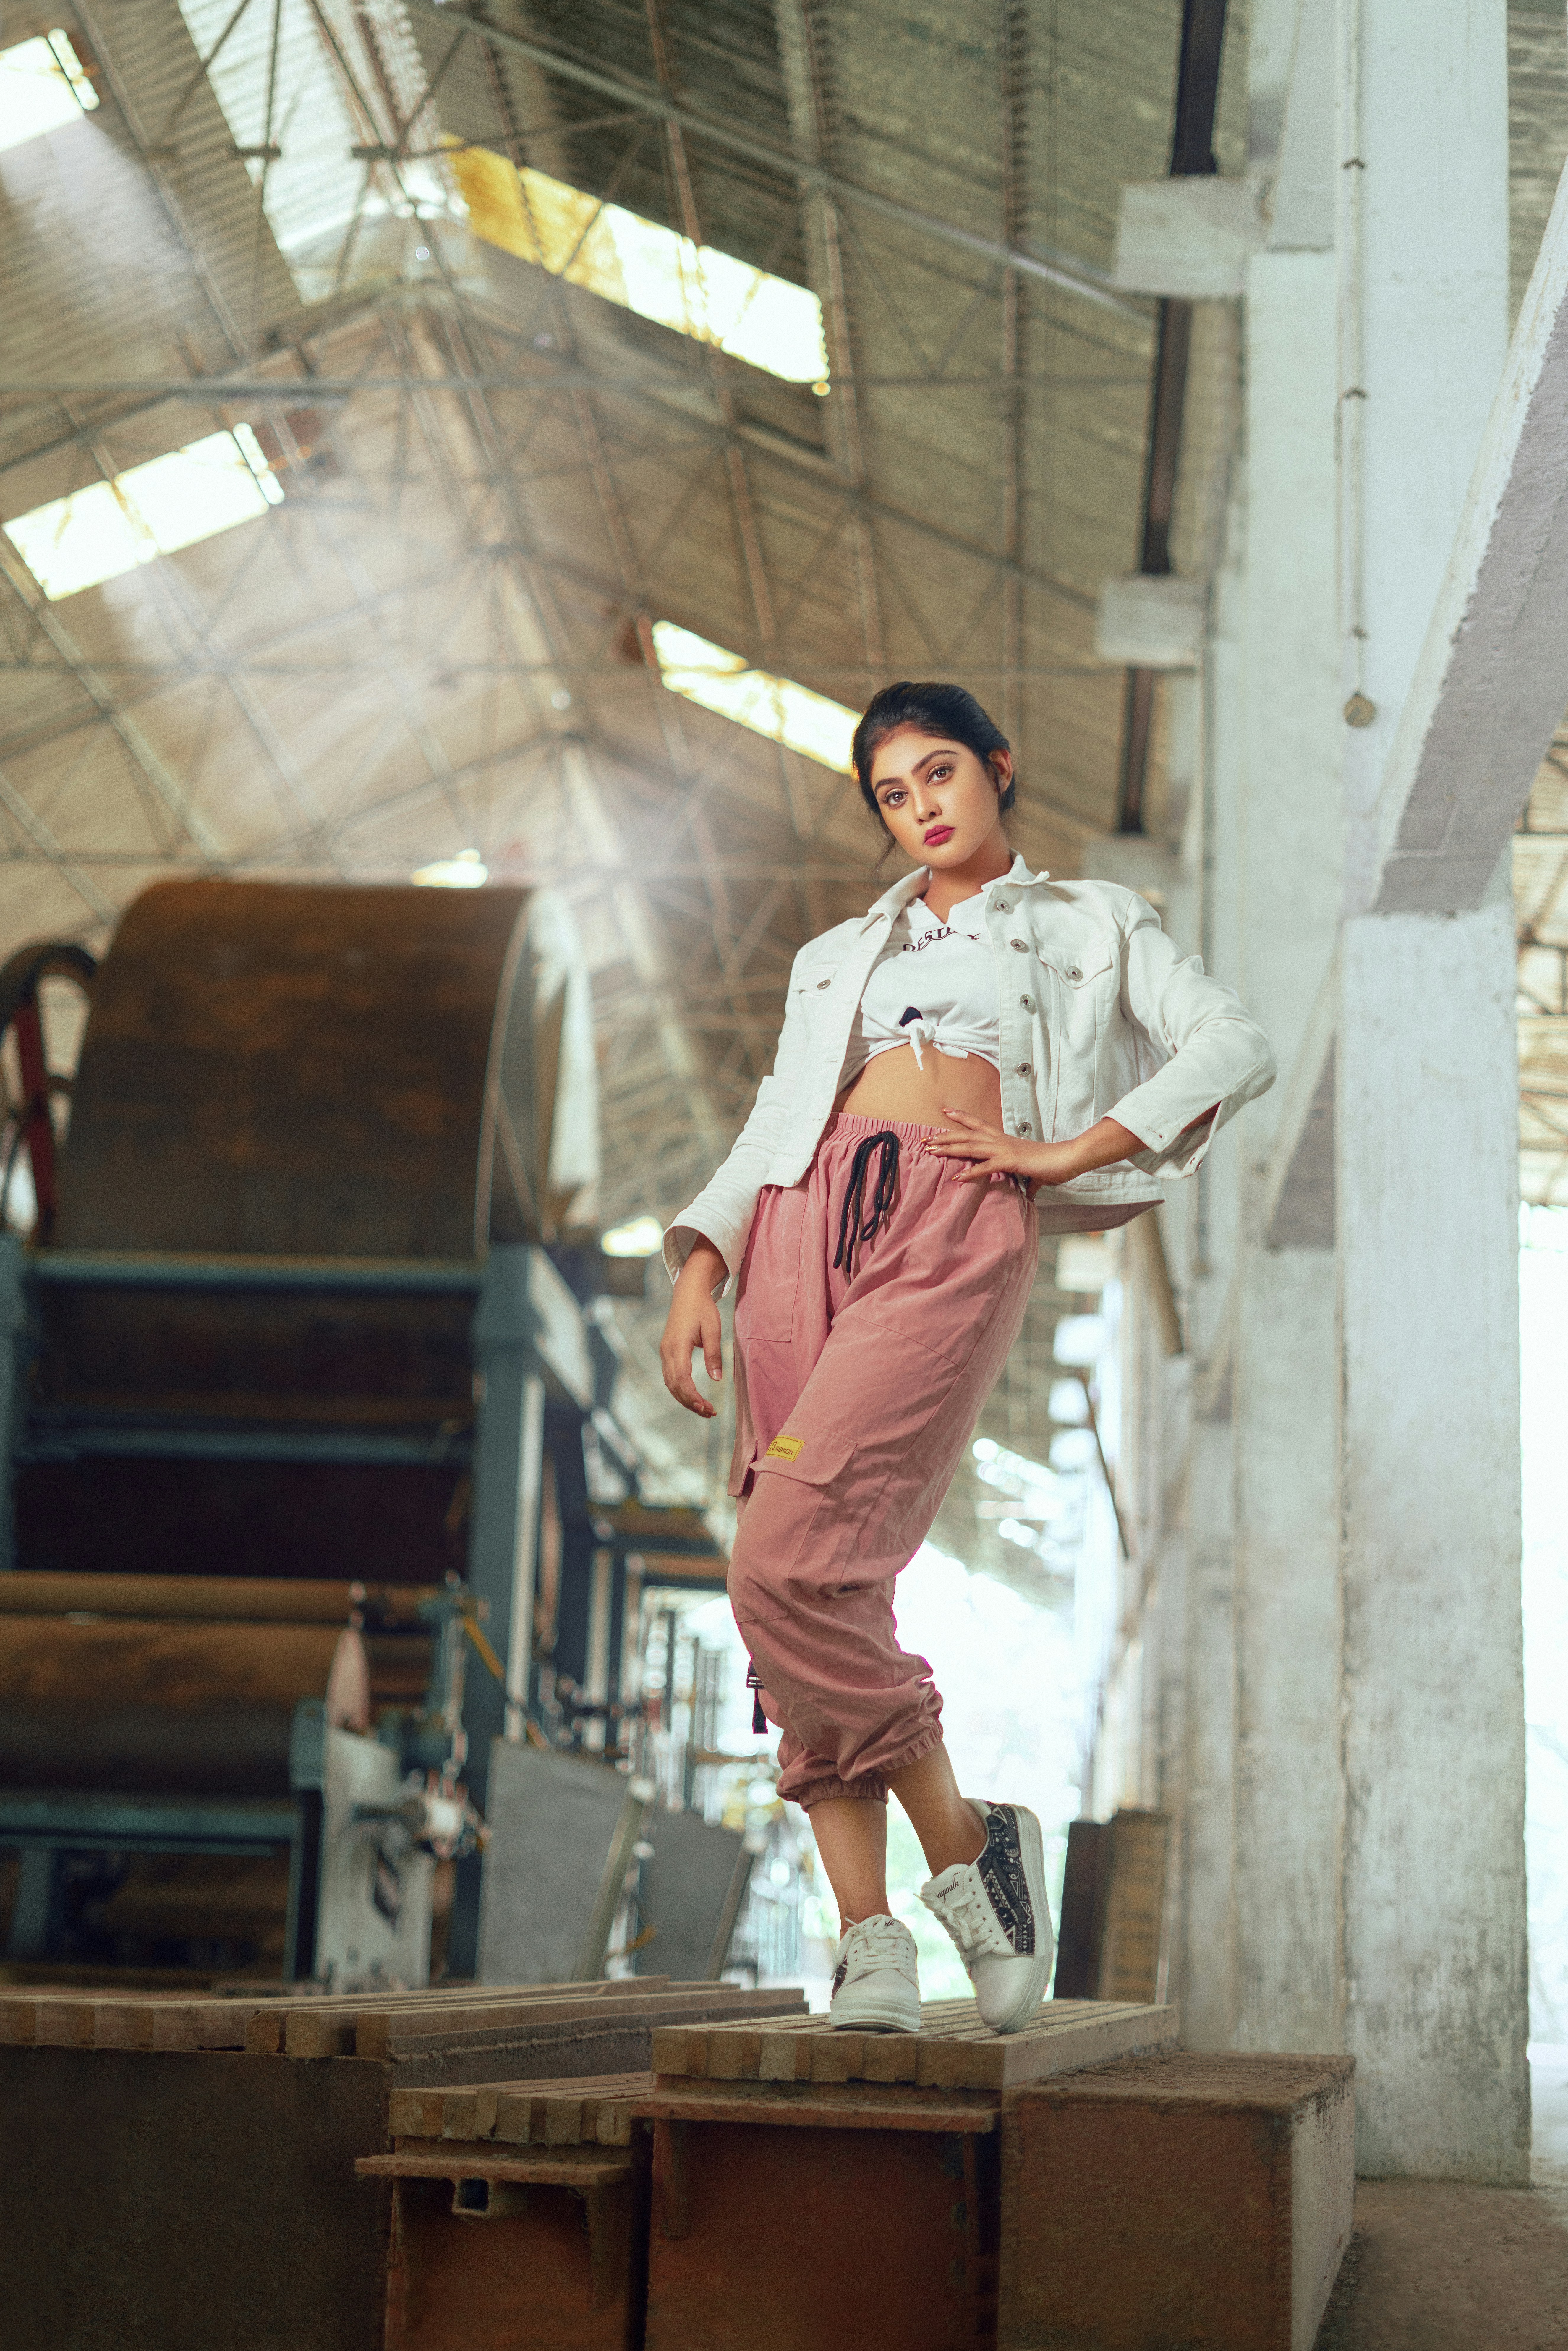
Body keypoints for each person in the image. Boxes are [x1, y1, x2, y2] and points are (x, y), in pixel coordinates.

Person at [659, 681, 1274, 2035]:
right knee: (808, 1589)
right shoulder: (837, 952)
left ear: (999, 768)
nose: (921, 806)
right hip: (796, 1230)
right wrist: (704, 1259)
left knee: (784, 1557)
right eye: (893, 792)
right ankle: (872, 1934)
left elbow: (1236, 1042)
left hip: (953, 1226)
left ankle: (963, 1847)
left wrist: (1066, 1151)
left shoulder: (1092, 920)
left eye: (940, 773)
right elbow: (778, 1116)